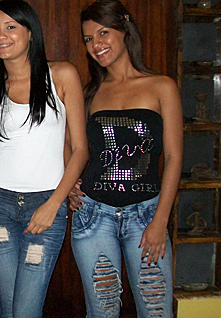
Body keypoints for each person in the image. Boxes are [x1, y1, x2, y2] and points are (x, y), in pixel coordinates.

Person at [0, 0, 89, 317]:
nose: (1, 36)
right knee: (11, 309)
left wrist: (54, 204)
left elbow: (80, 150)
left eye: (11, 27)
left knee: (24, 310)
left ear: (30, 33)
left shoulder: (62, 75)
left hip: (46, 203)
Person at [68, 0, 183, 317]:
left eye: (103, 33)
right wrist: (69, 187)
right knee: (102, 311)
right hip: (93, 217)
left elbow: (174, 158)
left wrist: (161, 220)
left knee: (156, 309)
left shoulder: (161, 87)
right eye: (88, 38)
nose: (96, 45)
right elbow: (71, 145)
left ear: (123, 30)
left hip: (147, 216)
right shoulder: (90, 92)